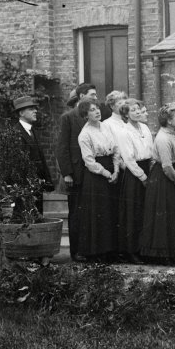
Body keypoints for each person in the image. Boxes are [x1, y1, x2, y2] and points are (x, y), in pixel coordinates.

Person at [140, 103, 175, 263]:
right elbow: (167, 166)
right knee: (164, 215)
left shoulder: (170, 134)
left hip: (169, 175)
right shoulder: (162, 138)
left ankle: (171, 252)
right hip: (163, 179)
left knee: (170, 214)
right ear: (168, 120)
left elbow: (174, 163)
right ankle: (162, 254)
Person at [56, 83, 97, 261]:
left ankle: (90, 249)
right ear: (81, 96)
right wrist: (67, 173)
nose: (95, 98)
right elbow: (62, 147)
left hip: (92, 172)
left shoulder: (94, 117)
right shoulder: (68, 118)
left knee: (90, 211)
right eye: (92, 95)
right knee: (77, 213)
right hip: (76, 173)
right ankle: (76, 251)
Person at [76, 100, 120, 261]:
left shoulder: (106, 127)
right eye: (92, 110)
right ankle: (97, 252)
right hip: (96, 176)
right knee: (98, 213)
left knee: (111, 211)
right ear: (85, 115)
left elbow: (116, 148)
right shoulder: (84, 134)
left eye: (97, 109)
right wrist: (107, 173)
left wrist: (116, 169)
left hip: (111, 168)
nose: (97, 112)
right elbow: (89, 161)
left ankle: (111, 250)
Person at [116, 99, 154, 263]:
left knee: (145, 211)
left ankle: (144, 248)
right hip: (134, 174)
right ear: (125, 114)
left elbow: (150, 151)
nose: (137, 112)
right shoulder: (124, 132)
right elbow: (129, 159)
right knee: (134, 212)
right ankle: (131, 251)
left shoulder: (144, 127)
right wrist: (142, 177)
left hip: (147, 168)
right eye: (133, 110)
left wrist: (150, 171)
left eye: (138, 109)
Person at [12, 96, 54, 217]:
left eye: (35, 108)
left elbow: (40, 158)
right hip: (25, 187)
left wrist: (47, 181)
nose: (35, 111)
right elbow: (17, 164)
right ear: (21, 113)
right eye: (31, 109)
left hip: (36, 185)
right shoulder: (16, 133)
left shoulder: (33, 131)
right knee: (25, 218)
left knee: (37, 216)